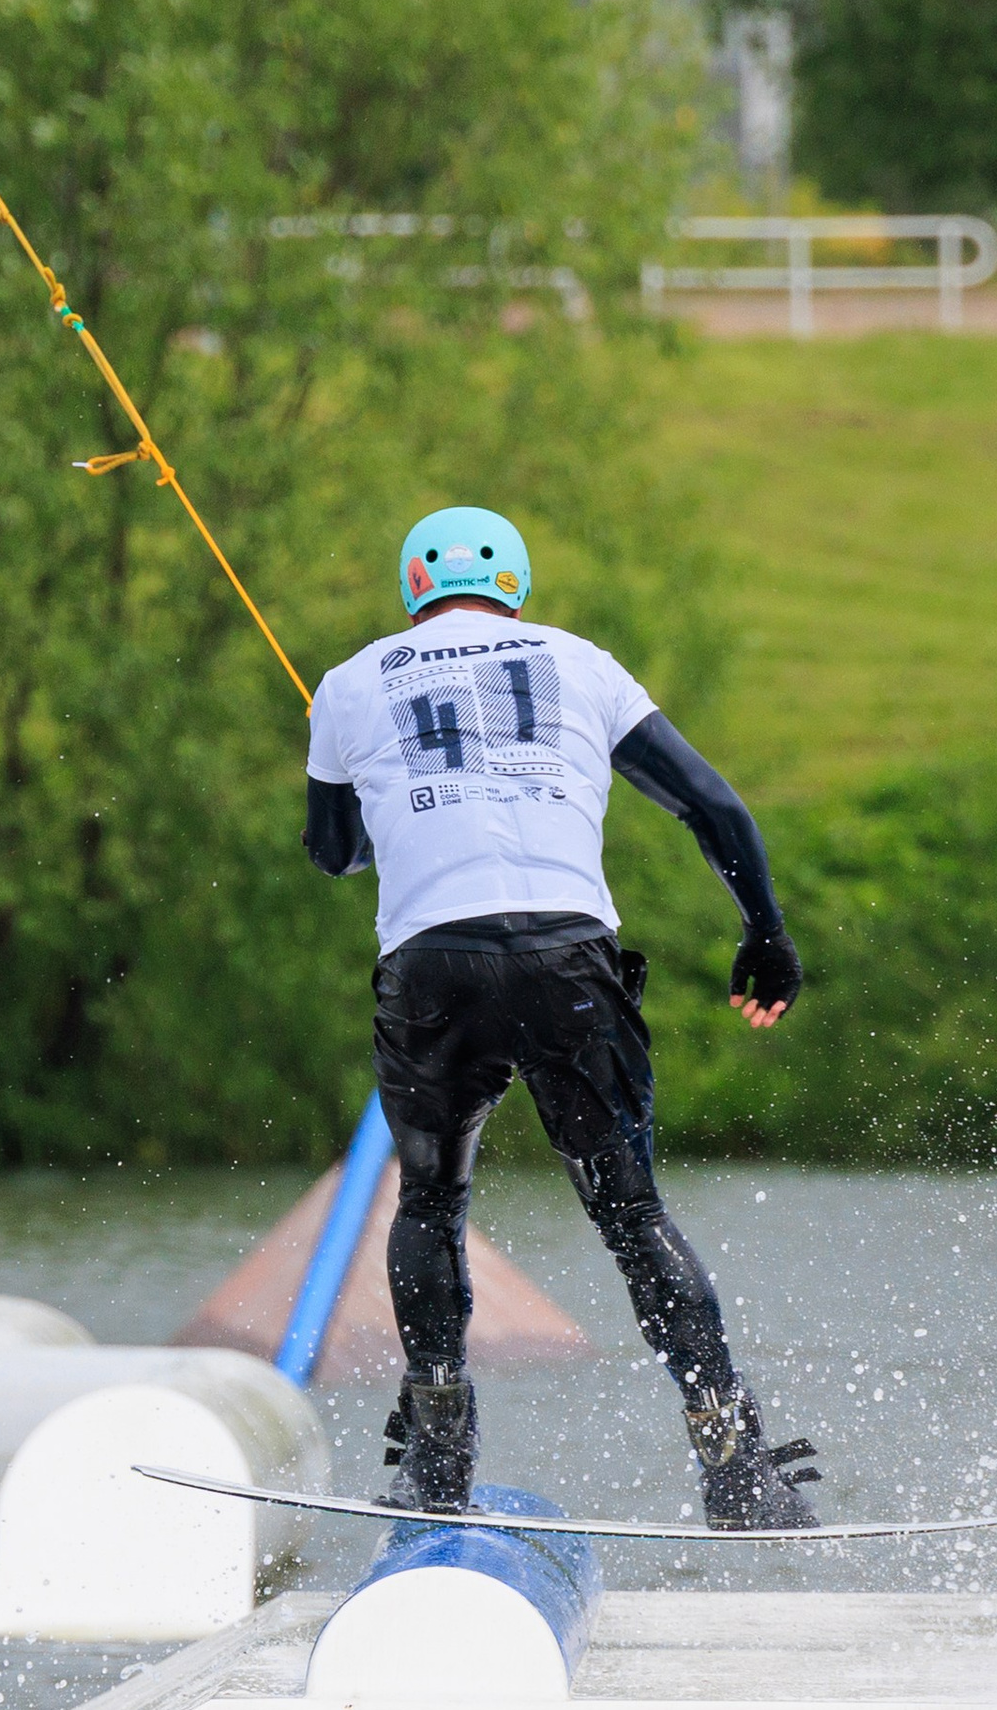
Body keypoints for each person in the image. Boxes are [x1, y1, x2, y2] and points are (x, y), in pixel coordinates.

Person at [303, 502, 821, 1530]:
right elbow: (711, 805)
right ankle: (734, 1464)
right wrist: (763, 929)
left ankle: (437, 1464)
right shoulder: (580, 660)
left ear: (413, 587)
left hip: (433, 967)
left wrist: (370, 818)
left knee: (430, 1204)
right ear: (515, 586)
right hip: (564, 960)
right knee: (631, 1217)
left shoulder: (350, 682)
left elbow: (332, 854)